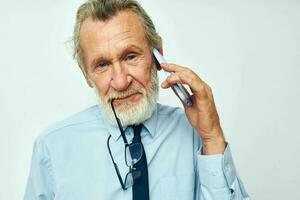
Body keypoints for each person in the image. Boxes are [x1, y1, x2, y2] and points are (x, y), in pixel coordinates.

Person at [24, 0, 250, 199]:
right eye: (102, 65)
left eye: (131, 56)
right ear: (86, 74)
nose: (121, 82)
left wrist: (212, 138)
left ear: (157, 55)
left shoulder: (194, 134)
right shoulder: (52, 148)